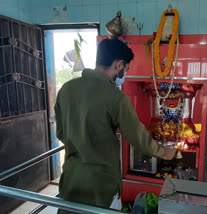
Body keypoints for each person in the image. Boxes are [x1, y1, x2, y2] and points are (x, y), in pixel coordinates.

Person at [55, 39, 177, 213]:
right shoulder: (116, 97)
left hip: (71, 180)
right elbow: (137, 136)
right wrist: (164, 151)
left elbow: (61, 132)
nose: (125, 74)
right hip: (101, 185)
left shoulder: (66, 89)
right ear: (119, 65)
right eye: (126, 69)